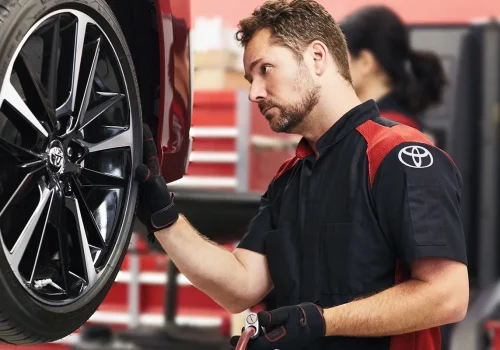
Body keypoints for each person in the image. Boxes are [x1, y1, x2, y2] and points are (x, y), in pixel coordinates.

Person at [135, 1, 469, 349]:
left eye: (265, 69)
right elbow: (241, 286)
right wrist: (164, 219)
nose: (254, 93)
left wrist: (318, 322)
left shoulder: (397, 154)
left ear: (317, 57)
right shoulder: (289, 178)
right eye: (251, 79)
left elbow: (447, 295)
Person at [339, 5, 447, 131]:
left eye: (341, 56)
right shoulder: (404, 124)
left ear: (365, 62)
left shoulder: (377, 131)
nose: (335, 67)